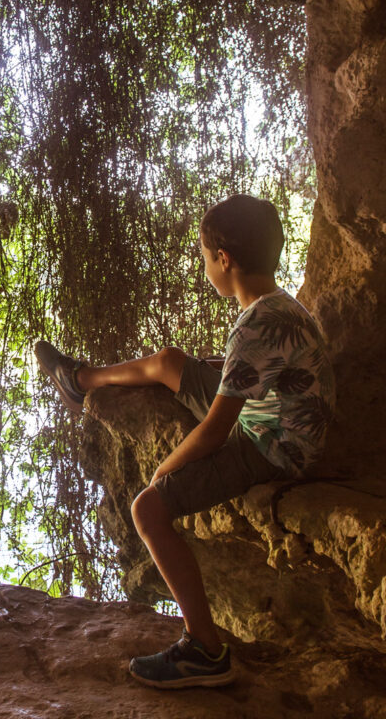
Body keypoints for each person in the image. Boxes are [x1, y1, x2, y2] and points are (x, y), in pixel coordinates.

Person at [35, 194, 335, 689]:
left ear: (224, 260)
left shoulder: (255, 325)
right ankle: (81, 378)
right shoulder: (279, 305)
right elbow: (253, 372)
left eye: (203, 256)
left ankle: (204, 649)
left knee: (148, 510)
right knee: (172, 361)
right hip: (272, 415)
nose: (204, 266)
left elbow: (218, 430)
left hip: (274, 444)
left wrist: (164, 471)